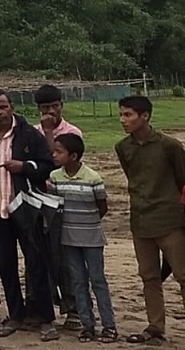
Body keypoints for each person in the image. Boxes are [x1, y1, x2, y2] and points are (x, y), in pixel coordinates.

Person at [0, 89, 57, 341]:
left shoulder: (29, 134)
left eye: (4, 107)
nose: (0, 112)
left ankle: (45, 319)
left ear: (12, 107)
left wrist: (25, 167)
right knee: (6, 265)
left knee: (36, 264)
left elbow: (47, 165)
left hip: (26, 210)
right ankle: (15, 316)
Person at [115, 95, 185, 345]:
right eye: (121, 114)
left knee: (183, 276)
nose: (123, 120)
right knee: (149, 277)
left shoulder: (170, 146)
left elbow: (182, 181)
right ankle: (155, 326)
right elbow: (132, 177)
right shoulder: (123, 147)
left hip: (170, 221)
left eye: (128, 114)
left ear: (145, 116)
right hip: (140, 221)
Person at [48, 133, 117, 343]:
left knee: (98, 281)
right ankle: (88, 326)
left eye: (59, 151)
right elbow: (53, 205)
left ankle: (109, 326)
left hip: (92, 238)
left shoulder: (93, 178)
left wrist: (87, 223)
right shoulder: (55, 177)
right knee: (78, 282)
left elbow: (102, 207)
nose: (54, 155)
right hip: (68, 239)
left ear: (74, 156)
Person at [34, 83, 82, 328]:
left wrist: (49, 133)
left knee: (64, 257)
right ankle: (45, 306)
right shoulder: (32, 132)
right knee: (40, 256)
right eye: (45, 107)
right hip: (38, 201)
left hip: (64, 202)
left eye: (54, 106)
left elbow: (56, 164)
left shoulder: (72, 133)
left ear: (61, 105)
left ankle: (73, 308)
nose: (50, 112)